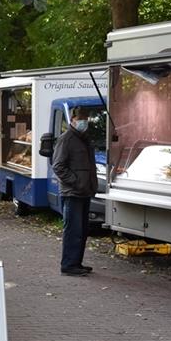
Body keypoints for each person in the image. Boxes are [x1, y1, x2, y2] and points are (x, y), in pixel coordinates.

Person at [52, 107, 98, 276]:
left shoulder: (83, 138)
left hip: (84, 191)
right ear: (72, 119)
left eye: (86, 118)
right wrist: (76, 182)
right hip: (72, 193)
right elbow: (58, 166)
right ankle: (69, 265)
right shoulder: (67, 139)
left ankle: (76, 262)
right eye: (81, 118)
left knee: (81, 230)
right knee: (73, 230)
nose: (84, 121)